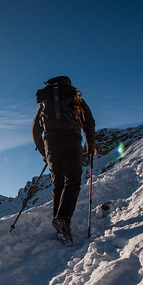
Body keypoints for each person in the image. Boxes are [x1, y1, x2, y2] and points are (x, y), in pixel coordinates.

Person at [32, 76, 96, 245]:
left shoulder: (44, 104)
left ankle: (60, 225)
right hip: (70, 140)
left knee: (58, 184)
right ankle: (63, 220)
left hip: (51, 143)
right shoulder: (74, 97)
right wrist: (90, 143)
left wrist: (44, 152)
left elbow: (35, 131)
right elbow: (88, 121)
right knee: (73, 181)